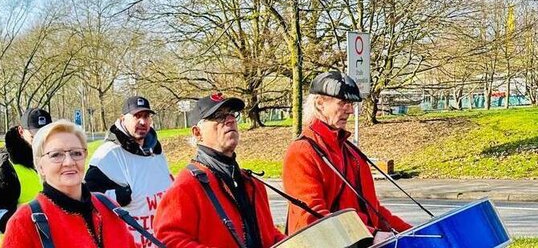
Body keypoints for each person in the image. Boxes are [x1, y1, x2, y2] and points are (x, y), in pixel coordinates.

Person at [283, 71, 412, 243]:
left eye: (351, 104)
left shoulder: (350, 151)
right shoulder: (302, 151)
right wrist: (370, 235)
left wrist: (413, 232)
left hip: (358, 241)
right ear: (320, 103)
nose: (350, 110)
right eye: (343, 103)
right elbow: (312, 217)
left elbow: (373, 210)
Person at [154, 93, 285, 248]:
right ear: (197, 132)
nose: (230, 120)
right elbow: (169, 240)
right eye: (219, 116)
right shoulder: (187, 186)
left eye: (231, 114)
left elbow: (268, 234)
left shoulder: (253, 183)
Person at [0, 120, 135, 247]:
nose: (69, 162)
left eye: (76, 153)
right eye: (56, 155)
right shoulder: (24, 223)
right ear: (40, 166)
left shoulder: (109, 207)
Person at [85, 95, 172, 247]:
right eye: (136, 116)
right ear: (123, 118)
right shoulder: (107, 155)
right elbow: (87, 198)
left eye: (146, 116)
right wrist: (118, 196)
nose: (143, 122)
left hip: (160, 240)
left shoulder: (155, 151)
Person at [0, 107, 51, 233]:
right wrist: (29, 220)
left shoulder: (54, 158)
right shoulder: (3, 167)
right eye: (34, 135)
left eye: (46, 134)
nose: (41, 140)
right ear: (21, 131)